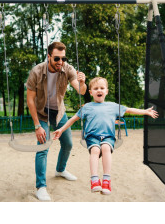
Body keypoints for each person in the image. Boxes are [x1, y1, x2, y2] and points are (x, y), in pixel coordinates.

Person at [53, 77, 158, 195]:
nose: (99, 90)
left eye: (102, 88)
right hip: (92, 136)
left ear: (106, 91)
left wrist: (145, 111)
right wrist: (61, 129)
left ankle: (106, 180)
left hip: (108, 136)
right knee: (95, 150)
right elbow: (73, 119)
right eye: (96, 88)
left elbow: (129, 110)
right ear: (91, 92)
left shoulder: (113, 106)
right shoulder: (87, 107)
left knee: (106, 148)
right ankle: (94, 180)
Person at [26, 42, 87, 201]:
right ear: (49, 56)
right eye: (57, 58)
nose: (61, 61)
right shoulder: (37, 71)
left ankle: (60, 170)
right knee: (43, 147)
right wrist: (37, 125)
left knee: (68, 144)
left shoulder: (68, 68)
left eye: (63, 58)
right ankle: (41, 186)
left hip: (59, 112)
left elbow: (81, 91)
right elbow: (30, 100)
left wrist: (82, 82)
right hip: (41, 113)